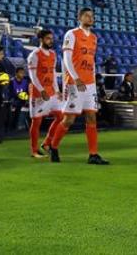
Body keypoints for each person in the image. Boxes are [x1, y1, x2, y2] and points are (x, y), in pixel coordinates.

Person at [47, 8, 109, 164]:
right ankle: (53, 146)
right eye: (87, 16)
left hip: (89, 84)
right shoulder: (72, 34)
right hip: (75, 83)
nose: (90, 18)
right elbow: (67, 59)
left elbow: (91, 61)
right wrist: (75, 78)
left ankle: (93, 154)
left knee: (92, 117)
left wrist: (93, 81)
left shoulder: (94, 38)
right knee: (69, 119)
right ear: (79, 18)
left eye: (92, 16)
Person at [27, 30, 63, 157]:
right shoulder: (34, 55)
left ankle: (47, 143)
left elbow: (53, 74)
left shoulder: (53, 54)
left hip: (51, 92)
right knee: (36, 121)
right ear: (41, 40)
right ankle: (34, 150)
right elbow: (33, 76)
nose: (51, 41)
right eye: (48, 38)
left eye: (51, 38)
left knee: (61, 117)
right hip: (38, 93)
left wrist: (57, 90)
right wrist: (41, 90)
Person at [8, 67, 30, 132]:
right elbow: (11, 93)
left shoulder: (26, 81)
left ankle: (25, 125)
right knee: (17, 105)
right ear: (16, 73)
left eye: (23, 73)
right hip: (15, 100)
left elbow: (28, 92)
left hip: (24, 100)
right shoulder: (12, 81)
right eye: (21, 73)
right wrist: (19, 96)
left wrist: (26, 98)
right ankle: (17, 126)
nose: (22, 74)